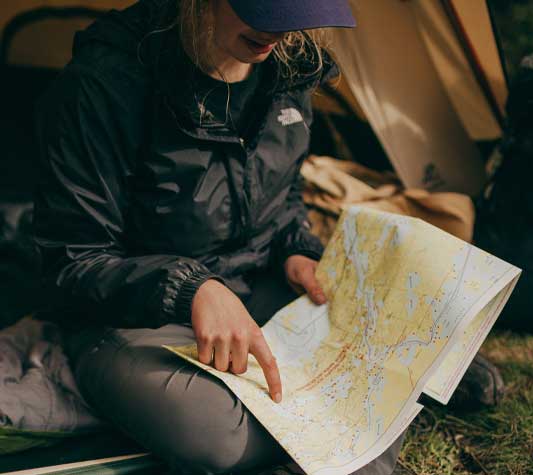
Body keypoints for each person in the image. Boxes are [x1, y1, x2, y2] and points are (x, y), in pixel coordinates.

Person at [32, 0, 407, 473]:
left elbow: (283, 193)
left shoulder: (290, 67)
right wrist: (191, 288)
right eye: (266, 11)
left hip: (257, 286)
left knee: (372, 341)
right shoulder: (107, 80)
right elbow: (73, 259)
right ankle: (343, 428)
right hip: (135, 313)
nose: (281, 33)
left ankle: (345, 427)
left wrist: (295, 248)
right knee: (216, 436)